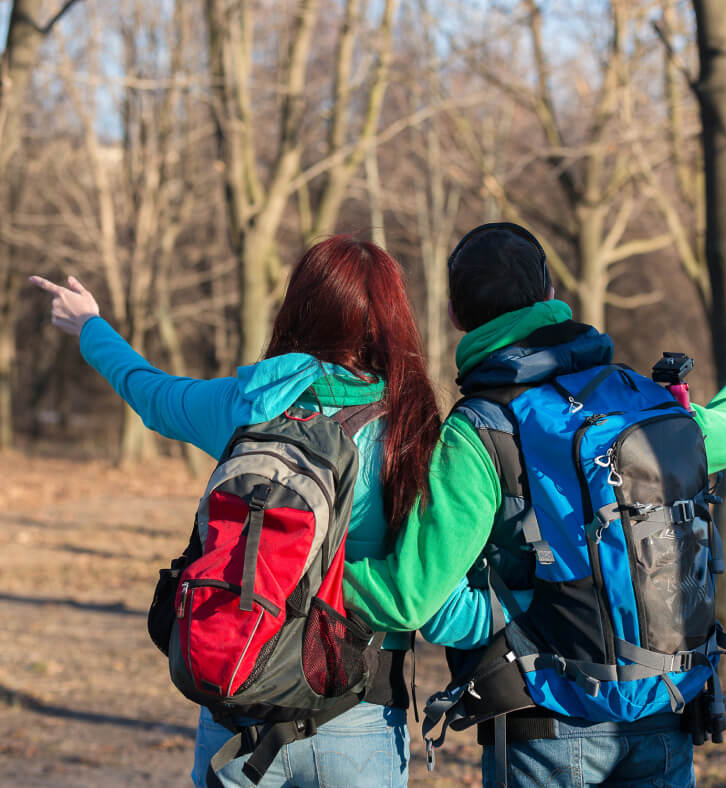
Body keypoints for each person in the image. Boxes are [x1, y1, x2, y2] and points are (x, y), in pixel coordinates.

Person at [341, 222, 726, 787]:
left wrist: (304, 573)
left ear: (458, 318)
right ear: (551, 296)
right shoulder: (640, 402)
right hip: (663, 705)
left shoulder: (482, 429)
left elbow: (409, 595)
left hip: (547, 721)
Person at [30, 236, 446, 788]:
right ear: (393, 321)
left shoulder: (250, 402)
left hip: (241, 700)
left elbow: (151, 394)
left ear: (298, 308)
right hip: (357, 712)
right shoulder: (411, 428)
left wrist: (91, 328)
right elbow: (425, 587)